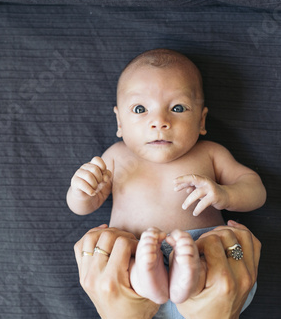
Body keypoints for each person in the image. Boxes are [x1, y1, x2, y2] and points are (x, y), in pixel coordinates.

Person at [67, 49, 266, 311]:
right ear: (119, 121)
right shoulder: (115, 157)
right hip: (133, 255)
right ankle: (149, 280)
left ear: (201, 120)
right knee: (132, 266)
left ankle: (188, 281)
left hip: (204, 256)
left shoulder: (210, 153)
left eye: (177, 108)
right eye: (140, 109)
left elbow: (255, 190)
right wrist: (83, 192)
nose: (160, 121)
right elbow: (81, 207)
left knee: (203, 265)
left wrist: (225, 194)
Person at [74, 220, 261, 319]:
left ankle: (146, 281)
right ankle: (189, 281)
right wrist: (226, 194)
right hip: (219, 286)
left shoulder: (115, 157)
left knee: (130, 274)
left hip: (129, 292)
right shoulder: (213, 152)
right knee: (205, 271)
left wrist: (83, 190)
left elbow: (79, 204)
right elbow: (253, 188)